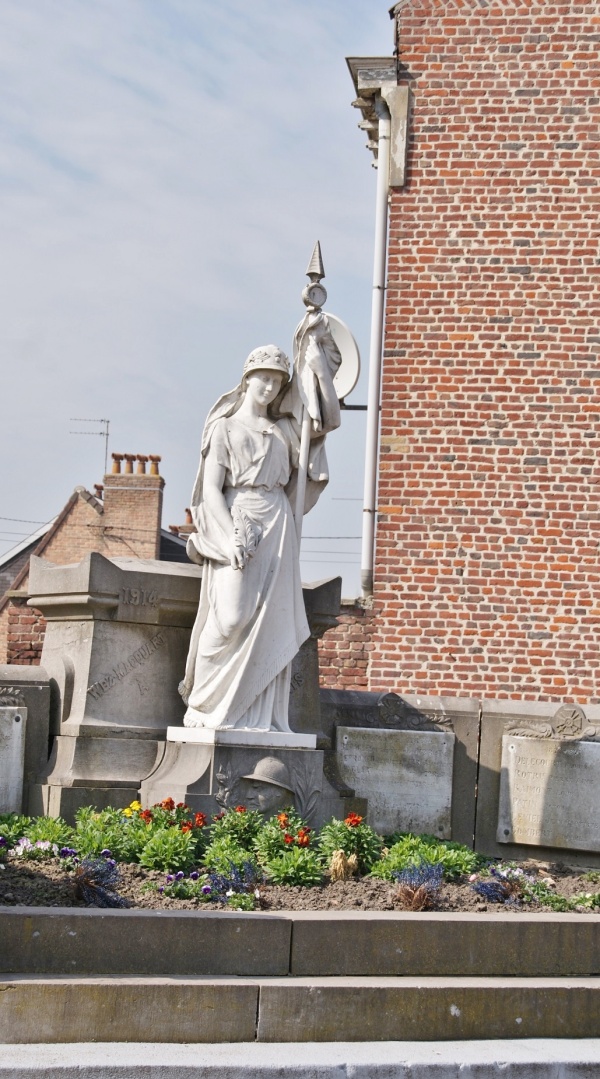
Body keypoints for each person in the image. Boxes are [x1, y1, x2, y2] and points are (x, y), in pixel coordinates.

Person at [179, 333, 340, 730]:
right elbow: (211, 491)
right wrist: (232, 531)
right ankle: (203, 704)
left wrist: (316, 359)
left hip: (277, 522)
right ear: (247, 379)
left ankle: (259, 716)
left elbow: (327, 419)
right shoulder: (225, 429)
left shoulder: (285, 430)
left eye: (276, 381)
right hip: (237, 518)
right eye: (262, 378)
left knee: (271, 618)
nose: (268, 387)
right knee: (231, 617)